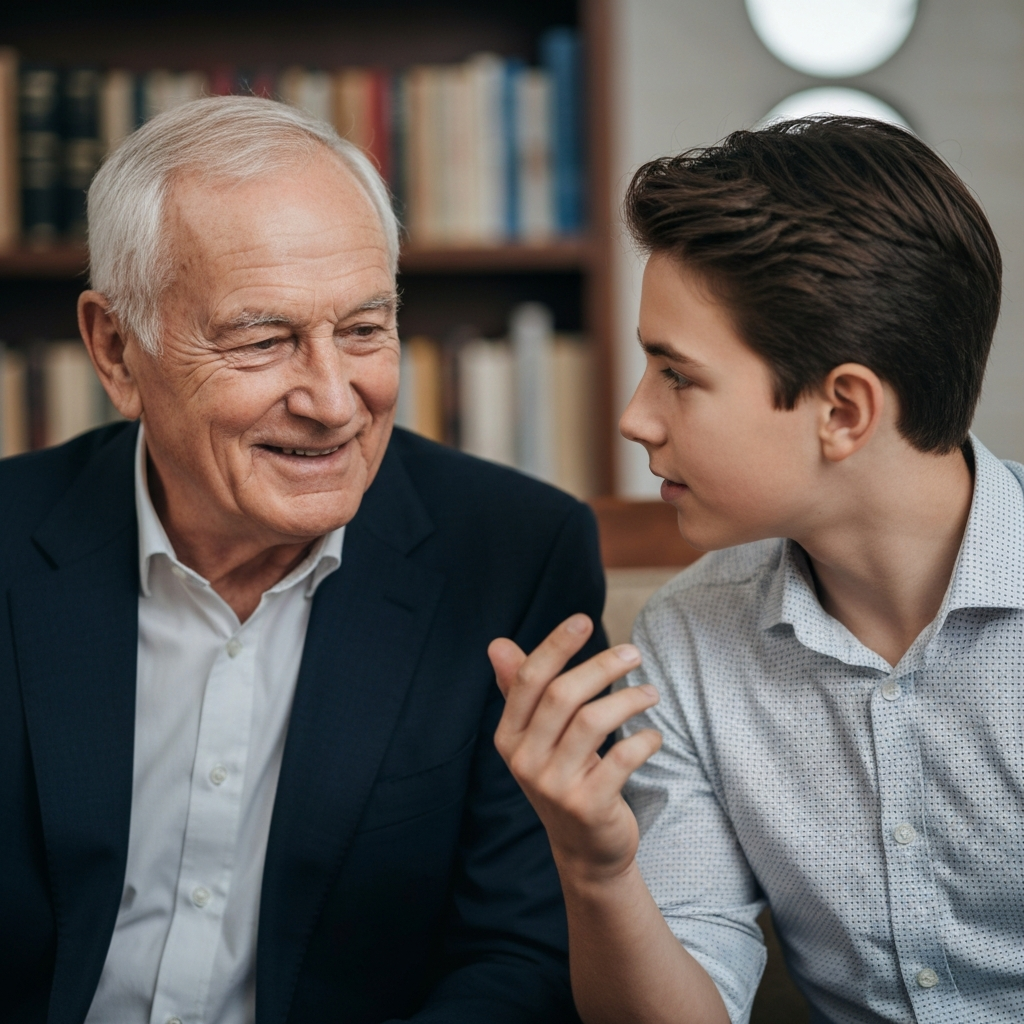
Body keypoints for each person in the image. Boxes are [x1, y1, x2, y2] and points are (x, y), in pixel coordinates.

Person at [0, 96, 606, 1024]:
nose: (333, 401)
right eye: (261, 339)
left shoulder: (517, 556)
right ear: (116, 350)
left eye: (364, 331)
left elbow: (519, 955)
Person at [490, 116, 1023, 1024]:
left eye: (677, 375)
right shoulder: (689, 637)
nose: (634, 417)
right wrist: (597, 868)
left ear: (844, 410)